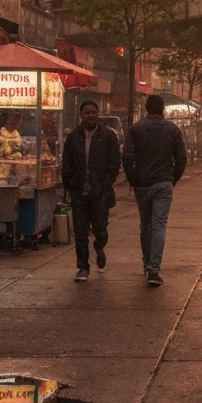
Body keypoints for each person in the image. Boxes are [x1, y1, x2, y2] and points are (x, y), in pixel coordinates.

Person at [122, 94, 187, 287]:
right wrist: (172, 178)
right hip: (163, 183)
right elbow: (181, 159)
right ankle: (154, 268)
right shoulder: (172, 129)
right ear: (163, 109)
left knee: (146, 224)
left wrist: (133, 178)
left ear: (146, 109)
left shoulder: (135, 129)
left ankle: (146, 262)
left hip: (142, 183)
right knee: (159, 225)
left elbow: (126, 157)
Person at [61, 99, 121, 281]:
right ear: (81, 115)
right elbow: (67, 163)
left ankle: (99, 247)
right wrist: (69, 185)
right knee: (80, 232)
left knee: (100, 229)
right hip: (79, 191)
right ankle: (83, 267)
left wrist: (106, 184)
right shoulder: (73, 137)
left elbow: (114, 162)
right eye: (87, 112)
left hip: (99, 193)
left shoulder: (108, 136)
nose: (91, 115)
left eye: (94, 112)